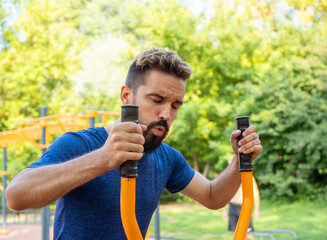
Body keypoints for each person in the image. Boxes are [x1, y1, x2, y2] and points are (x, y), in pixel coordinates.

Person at [5, 47, 263, 239]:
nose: (166, 114)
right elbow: (16, 197)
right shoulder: (79, 144)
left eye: (175, 105)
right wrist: (103, 158)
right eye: (157, 100)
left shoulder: (167, 158)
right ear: (126, 96)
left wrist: (238, 160)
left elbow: (212, 196)